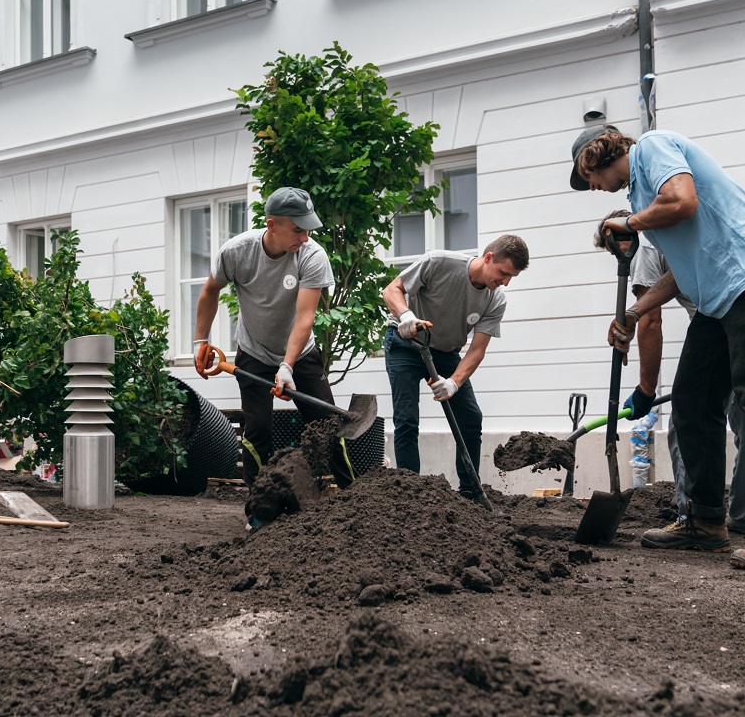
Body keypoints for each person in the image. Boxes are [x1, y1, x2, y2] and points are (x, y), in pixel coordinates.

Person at [570, 125, 745, 573]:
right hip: (717, 296)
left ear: (595, 158)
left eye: (586, 179)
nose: (591, 189)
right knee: (692, 400)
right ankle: (704, 522)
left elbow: (685, 202)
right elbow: (680, 272)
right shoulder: (642, 198)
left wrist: (629, 223)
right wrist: (633, 313)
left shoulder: (652, 147)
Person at [595, 211, 745, 536]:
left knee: (688, 421)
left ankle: (694, 517)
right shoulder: (671, 235)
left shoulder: (643, 244)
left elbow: (651, 320)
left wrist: (646, 390)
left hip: (715, 326)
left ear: (617, 238)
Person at [193, 186, 354, 527]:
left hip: (301, 355)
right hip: (252, 352)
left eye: (308, 227)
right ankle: (259, 512)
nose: (305, 235)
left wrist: (287, 365)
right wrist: (199, 341)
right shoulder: (237, 252)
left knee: (327, 424)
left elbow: (305, 317)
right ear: (272, 225)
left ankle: (355, 500)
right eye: (297, 228)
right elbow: (210, 291)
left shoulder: (312, 255)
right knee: (258, 429)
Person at [381, 235, 528, 498]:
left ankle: (470, 492)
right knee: (407, 419)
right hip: (406, 343)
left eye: (511, 277)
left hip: (446, 353)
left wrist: (454, 382)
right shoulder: (439, 262)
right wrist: (405, 315)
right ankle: (409, 495)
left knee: (471, 418)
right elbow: (392, 289)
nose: (505, 282)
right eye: (503, 273)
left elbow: (477, 349)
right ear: (488, 258)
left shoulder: (496, 300)